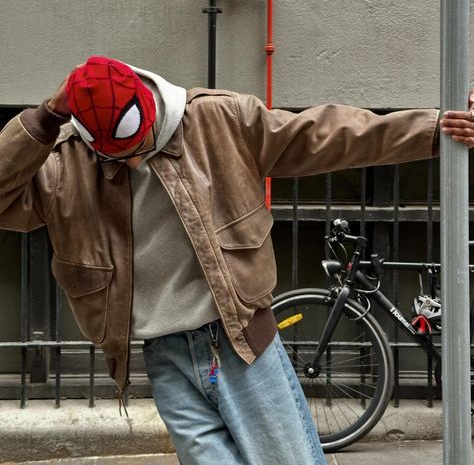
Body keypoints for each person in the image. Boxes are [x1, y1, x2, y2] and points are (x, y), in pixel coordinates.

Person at [0, 56, 472, 465]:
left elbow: (327, 134)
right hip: (162, 355)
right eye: (117, 158)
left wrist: (429, 129)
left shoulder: (218, 121)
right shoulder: (64, 165)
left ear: (147, 104)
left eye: (139, 148)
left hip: (238, 338)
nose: (134, 165)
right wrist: (43, 119)